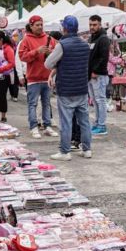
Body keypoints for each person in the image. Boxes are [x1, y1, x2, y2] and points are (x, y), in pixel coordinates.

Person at [44, 16, 92, 161]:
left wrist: (58, 63)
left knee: (66, 122)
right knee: (84, 121)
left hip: (66, 89)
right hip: (82, 88)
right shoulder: (85, 44)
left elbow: (47, 64)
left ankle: (65, 152)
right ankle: (87, 149)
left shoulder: (62, 45)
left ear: (64, 28)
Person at [18, 15, 59, 139]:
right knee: (33, 104)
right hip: (33, 78)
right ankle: (33, 127)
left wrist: (51, 52)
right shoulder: (26, 40)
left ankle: (47, 126)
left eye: (41, 24)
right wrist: (37, 51)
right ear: (31, 26)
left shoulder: (49, 38)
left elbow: (58, 53)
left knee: (46, 104)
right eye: (37, 25)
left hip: (47, 77)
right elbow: (22, 57)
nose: (40, 27)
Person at [88, 15, 111, 136]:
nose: (92, 27)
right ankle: (97, 123)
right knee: (95, 101)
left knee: (100, 100)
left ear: (100, 25)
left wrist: (96, 71)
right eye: (90, 24)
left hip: (99, 75)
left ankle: (102, 125)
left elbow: (104, 57)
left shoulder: (103, 39)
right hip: (91, 75)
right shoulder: (92, 38)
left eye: (94, 25)